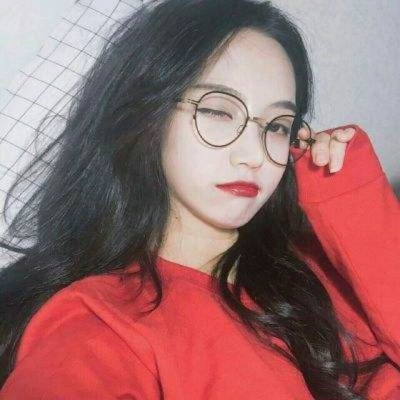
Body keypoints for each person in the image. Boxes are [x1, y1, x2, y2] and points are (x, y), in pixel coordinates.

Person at [0, 0, 399, 398]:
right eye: (219, 112)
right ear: (148, 116)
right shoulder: (102, 326)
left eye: (277, 126)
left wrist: (349, 192)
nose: (255, 155)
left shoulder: (314, 275)